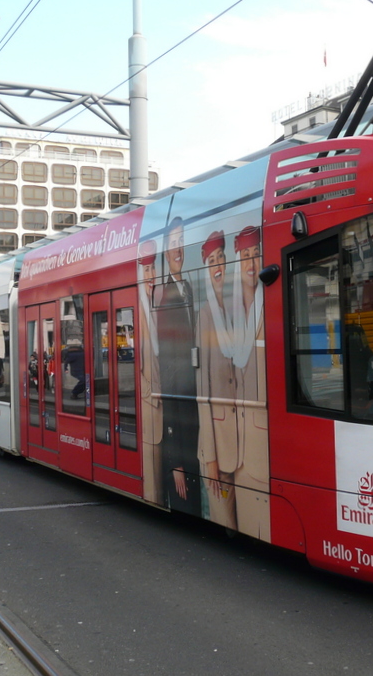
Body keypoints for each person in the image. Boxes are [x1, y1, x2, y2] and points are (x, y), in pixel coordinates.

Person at [155, 217, 201, 515]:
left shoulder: (187, 288)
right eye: (173, 243)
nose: (179, 248)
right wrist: (176, 462)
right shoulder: (166, 298)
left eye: (182, 241)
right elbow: (170, 378)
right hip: (181, 428)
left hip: (193, 424)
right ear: (165, 251)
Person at [196, 230, 239, 529]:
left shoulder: (238, 310)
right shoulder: (205, 315)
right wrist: (209, 457)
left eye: (221, 256)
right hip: (219, 449)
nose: (218, 263)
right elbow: (202, 391)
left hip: (244, 447)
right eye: (212, 260)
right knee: (227, 523)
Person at [231, 226, 271, 540]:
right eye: (245, 255)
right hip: (235, 448)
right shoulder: (224, 313)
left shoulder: (270, 303)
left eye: (255, 254)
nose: (251, 262)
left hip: (260, 444)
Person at [138, 240, 164, 505]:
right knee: (153, 485)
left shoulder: (160, 302)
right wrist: (151, 393)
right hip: (150, 406)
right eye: (145, 269)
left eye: (153, 268)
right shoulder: (138, 307)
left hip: (165, 404)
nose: (150, 275)